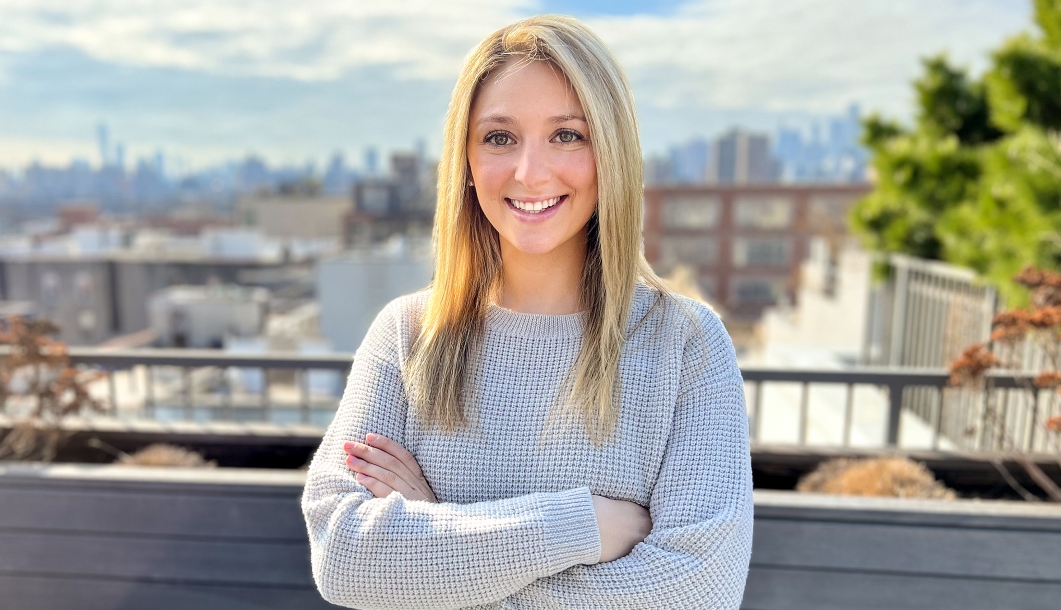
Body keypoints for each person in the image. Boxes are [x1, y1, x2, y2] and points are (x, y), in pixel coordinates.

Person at [302, 14, 752, 609]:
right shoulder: (409, 335)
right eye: (499, 137)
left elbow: (699, 592)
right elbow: (342, 556)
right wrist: (580, 526)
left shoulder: (686, 343)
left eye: (567, 134)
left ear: (611, 153)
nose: (530, 171)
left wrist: (435, 540)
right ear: (465, 160)